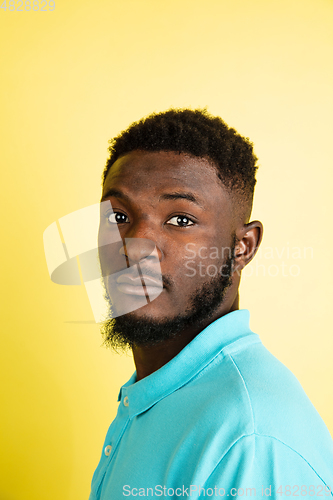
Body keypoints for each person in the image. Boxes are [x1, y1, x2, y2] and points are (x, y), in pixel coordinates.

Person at [89, 109, 333, 500]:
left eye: (181, 220)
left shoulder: (250, 438)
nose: (134, 248)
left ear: (242, 248)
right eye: (118, 215)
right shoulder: (158, 393)